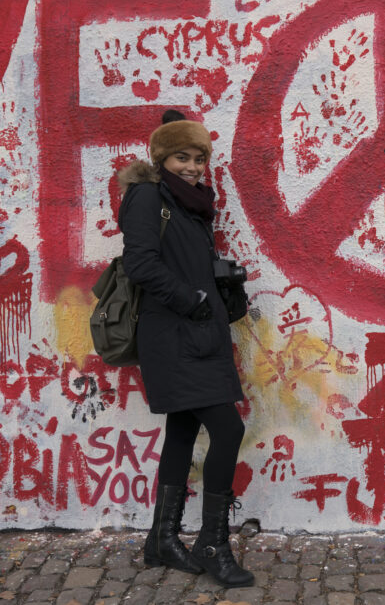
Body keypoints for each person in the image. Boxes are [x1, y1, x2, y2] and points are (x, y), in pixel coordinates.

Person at [118, 110, 253, 587]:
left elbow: (185, 264)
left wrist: (220, 289)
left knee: (181, 431)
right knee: (228, 428)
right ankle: (213, 544)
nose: (193, 167)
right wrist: (192, 300)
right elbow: (140, 263)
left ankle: (162, 538)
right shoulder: (147, 196)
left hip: (200, 334)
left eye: (199, 158)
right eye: (182, 157)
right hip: (174, 335)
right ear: (161, 157)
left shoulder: (192, 204)